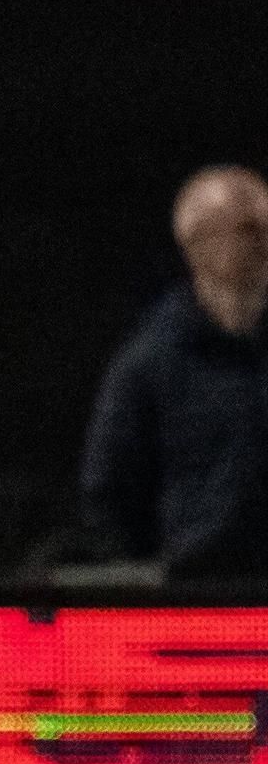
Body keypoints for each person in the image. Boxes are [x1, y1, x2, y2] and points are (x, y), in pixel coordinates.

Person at [76, 165, 268, 578]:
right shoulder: (152, 359)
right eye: (249, 230)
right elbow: (109, 488)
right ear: (196, 244)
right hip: (196, 597)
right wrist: (159, 576)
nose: (262, 245)